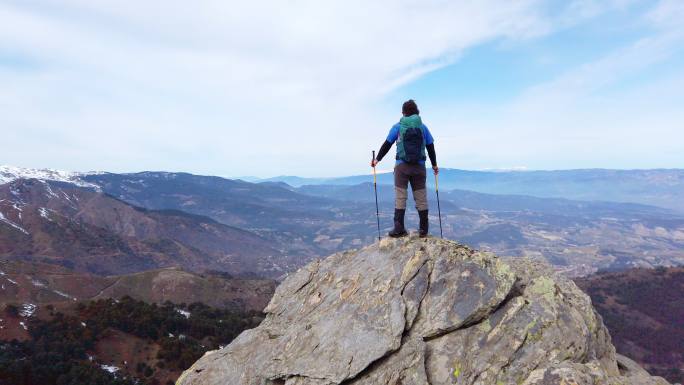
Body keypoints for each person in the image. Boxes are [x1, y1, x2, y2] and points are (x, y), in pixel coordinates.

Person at [371, 99, 438, 238]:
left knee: (401, 196)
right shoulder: (423, 127)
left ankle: (399, 228)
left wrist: (377, 159)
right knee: (421, 197)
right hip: (419, 167)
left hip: (402, 166)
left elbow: (387, 144)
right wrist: (434, 165)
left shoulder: (398, 127)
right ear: (417, 112)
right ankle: (423, 230)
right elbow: (430, 147)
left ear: (403, 112)